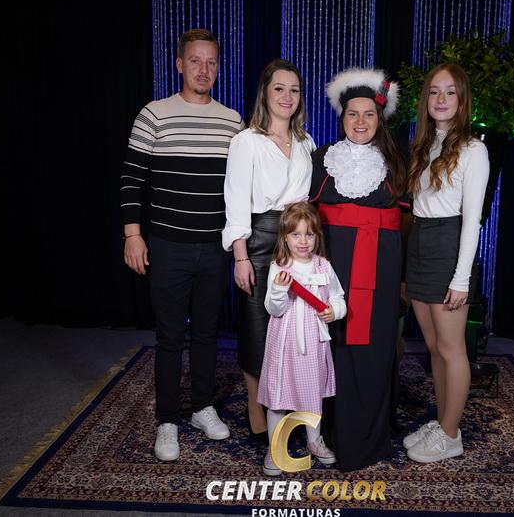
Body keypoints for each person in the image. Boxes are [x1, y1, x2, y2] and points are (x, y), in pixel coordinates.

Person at [120, 28, 244, 461]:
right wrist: (132, 234)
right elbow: (131, 179)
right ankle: (167, 420)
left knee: (208, 334)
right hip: (167, 245)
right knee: (171, 336)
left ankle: (203, 408)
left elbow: (241, 187)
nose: (203, 70)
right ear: (179, 64)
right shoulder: (153, 115)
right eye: (195, 61)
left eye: (211, 62)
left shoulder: (233, 122)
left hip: (214, 247)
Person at [309, 68, 407, 471]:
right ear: (342, 117)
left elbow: (409, 217)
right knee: (331, 345)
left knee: (373, 347)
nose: (361, 121)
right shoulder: (321, 159)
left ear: (379, 119)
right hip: (331, 267)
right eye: (353, 113)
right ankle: (329, 432)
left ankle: (369, 437)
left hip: (380, 270)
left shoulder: (397, 162)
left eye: (369, 114)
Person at [222, 59, 316, 442]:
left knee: (293, 331)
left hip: (298, 244)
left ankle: (288, 408)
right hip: (259, 241)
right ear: (265, 92)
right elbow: (235, 201)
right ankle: (256, 409)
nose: (287, 96)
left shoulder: (307, 143)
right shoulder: (246, 141)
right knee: (257, 328)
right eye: (279, 88)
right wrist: (240, 257)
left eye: (294, 90)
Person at [402, 63, 489, 462]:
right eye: (435, 91)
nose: (441, 99)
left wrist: (461, 278)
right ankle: (443, 421)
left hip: (449, 245)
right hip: (421, 241)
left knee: (453, 349)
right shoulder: (423, 144)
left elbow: (472, 221)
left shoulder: (474, 150)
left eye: (450, 91)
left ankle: (452, 435)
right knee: (434, 347)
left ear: (462, 99)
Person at [257, 202, 346, 476]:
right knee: (278, 395)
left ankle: (314, 441)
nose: (303, 241)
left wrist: (335, 311)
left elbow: (338, 296)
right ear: (285, 237)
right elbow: (274, 309)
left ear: (317, 236)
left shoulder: (323, 266)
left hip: (314, 341)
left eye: (309, 234)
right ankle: (275, 446)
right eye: (296, 234)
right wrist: (279, 290)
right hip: (285, 341)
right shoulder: (279, 267)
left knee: (312, 394)